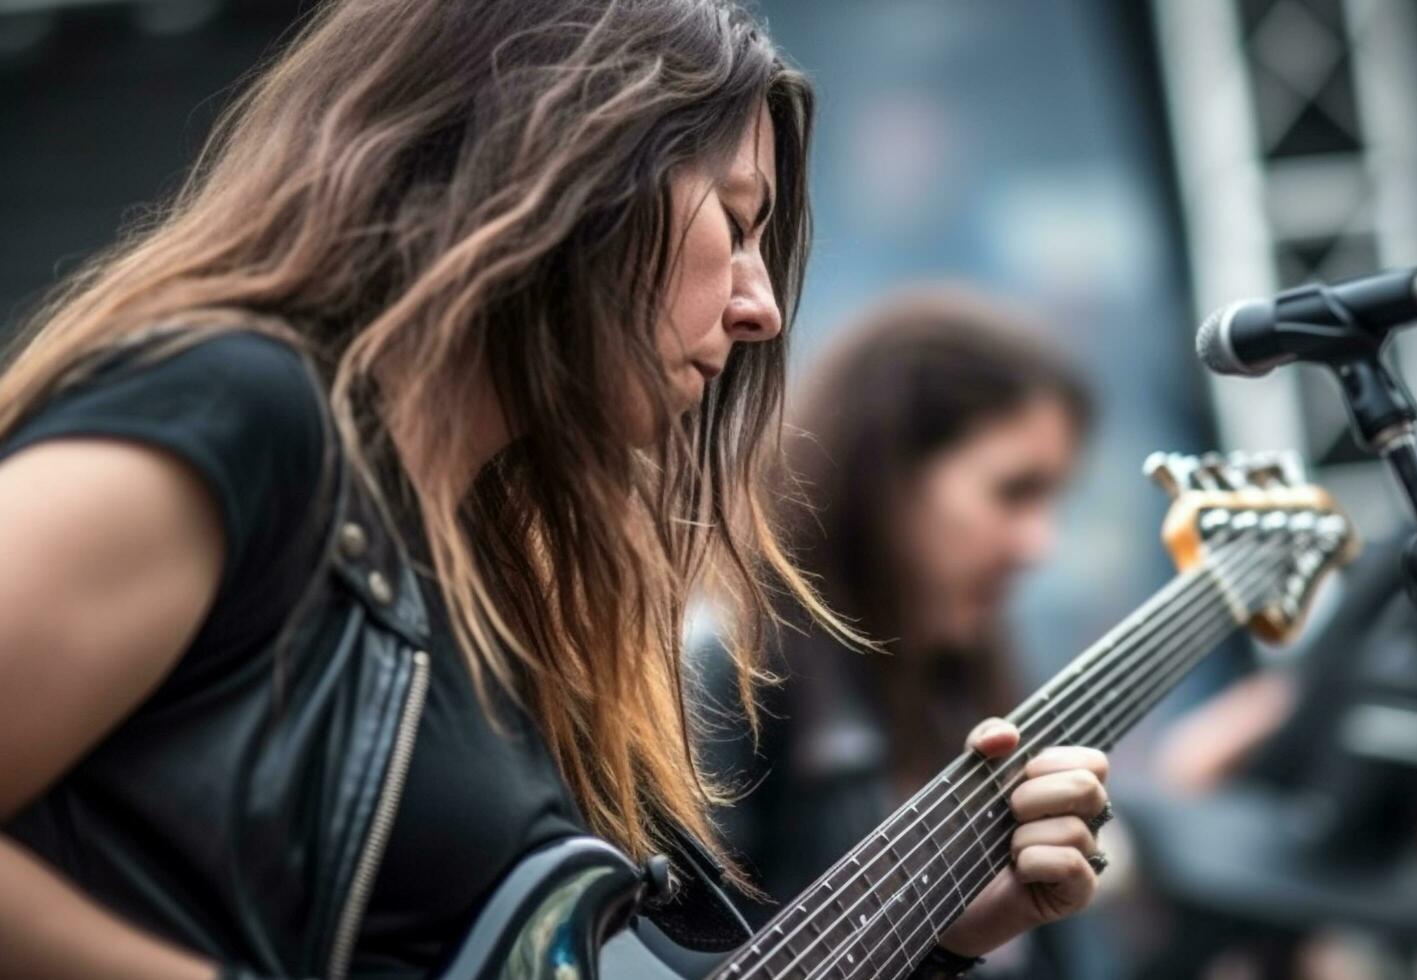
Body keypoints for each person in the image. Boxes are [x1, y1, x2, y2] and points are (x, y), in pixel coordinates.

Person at [0, 3, 1111, 978]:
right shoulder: (246, 414)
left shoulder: (503, 578)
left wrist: (933, 932)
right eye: (734, 219)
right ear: (569, 169)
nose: (761, 304)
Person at [694, 289, 1111, 978]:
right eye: (1012, 492)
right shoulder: (731, 679)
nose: (1038, 545)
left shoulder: (977, 681)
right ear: (885, 479)